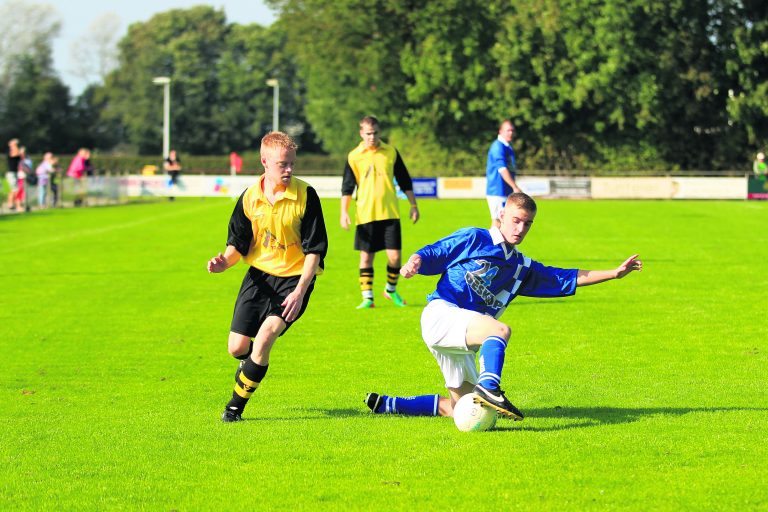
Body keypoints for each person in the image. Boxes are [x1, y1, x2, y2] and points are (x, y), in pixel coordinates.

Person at [364, 192, 642, 421]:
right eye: (516, 220)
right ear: (501, 216)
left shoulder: (521, 268)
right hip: (441, 315)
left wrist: (613, 273)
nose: (520, 229)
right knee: (499, 330)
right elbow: (436, 251)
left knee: (467, 411)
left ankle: (390, 404)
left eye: (527, 224)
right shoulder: (475, 238)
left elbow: (566, 277)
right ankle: (490, 385)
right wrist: (415, 261)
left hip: (464, 337)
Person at [207, 131, 328, 423]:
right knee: (237, 348)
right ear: (264, 162)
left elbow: (315, 251)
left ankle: (234, 408)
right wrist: (224, 262)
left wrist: (300, 291)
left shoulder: (305, 195)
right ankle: (250, 367)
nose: (288, 170)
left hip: (294, 279)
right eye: (282, 164)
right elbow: (237, 245)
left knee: (264, 338)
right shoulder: (250, 198)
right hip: (259, 276)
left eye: (291, 164)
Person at [340, 115, 419, 309]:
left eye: (375, 133)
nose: (372, 137)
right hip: (365, 215)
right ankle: (367, 297)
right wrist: (344, 212)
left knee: (395, 258)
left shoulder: (390, 152)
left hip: (390, 213)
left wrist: (413, 205)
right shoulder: (354, 156)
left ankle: (390, 290)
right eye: (368, 133)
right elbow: (347, 186)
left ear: (379, 132)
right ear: (361, 133)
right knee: (366, 257)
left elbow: (404, 179)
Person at [485, 120, 521, 227]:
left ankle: (500, 244)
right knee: (498, 223)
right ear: (500, 131)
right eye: (508, 130)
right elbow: (502, 169)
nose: (511, 133)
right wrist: (515, 187)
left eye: (512, 130)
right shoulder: (498, 146)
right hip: (498, 191)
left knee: (502, 223)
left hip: (504, 191)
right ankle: (491, 244)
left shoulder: (507, 146)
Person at [6, 139, 21, 210]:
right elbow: (16, 153)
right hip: (11, 173)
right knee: (15, 189)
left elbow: (18, 153)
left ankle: (12, 204)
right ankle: (10, 204)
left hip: (15, 173)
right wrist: (13, 144)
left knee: (14, 189)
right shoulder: (10, 154)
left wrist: (13, 144)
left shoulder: (16, 154)